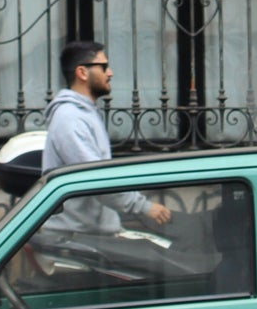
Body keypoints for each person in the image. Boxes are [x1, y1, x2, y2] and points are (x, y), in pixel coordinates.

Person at [42, 39, 171, 235]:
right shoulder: (70, 118)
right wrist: (143, 206)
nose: (109, 73)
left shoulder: (85, 113)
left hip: (89, 233)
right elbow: (95, 179)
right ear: (82, 72)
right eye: (103, 67)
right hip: (74, 238)